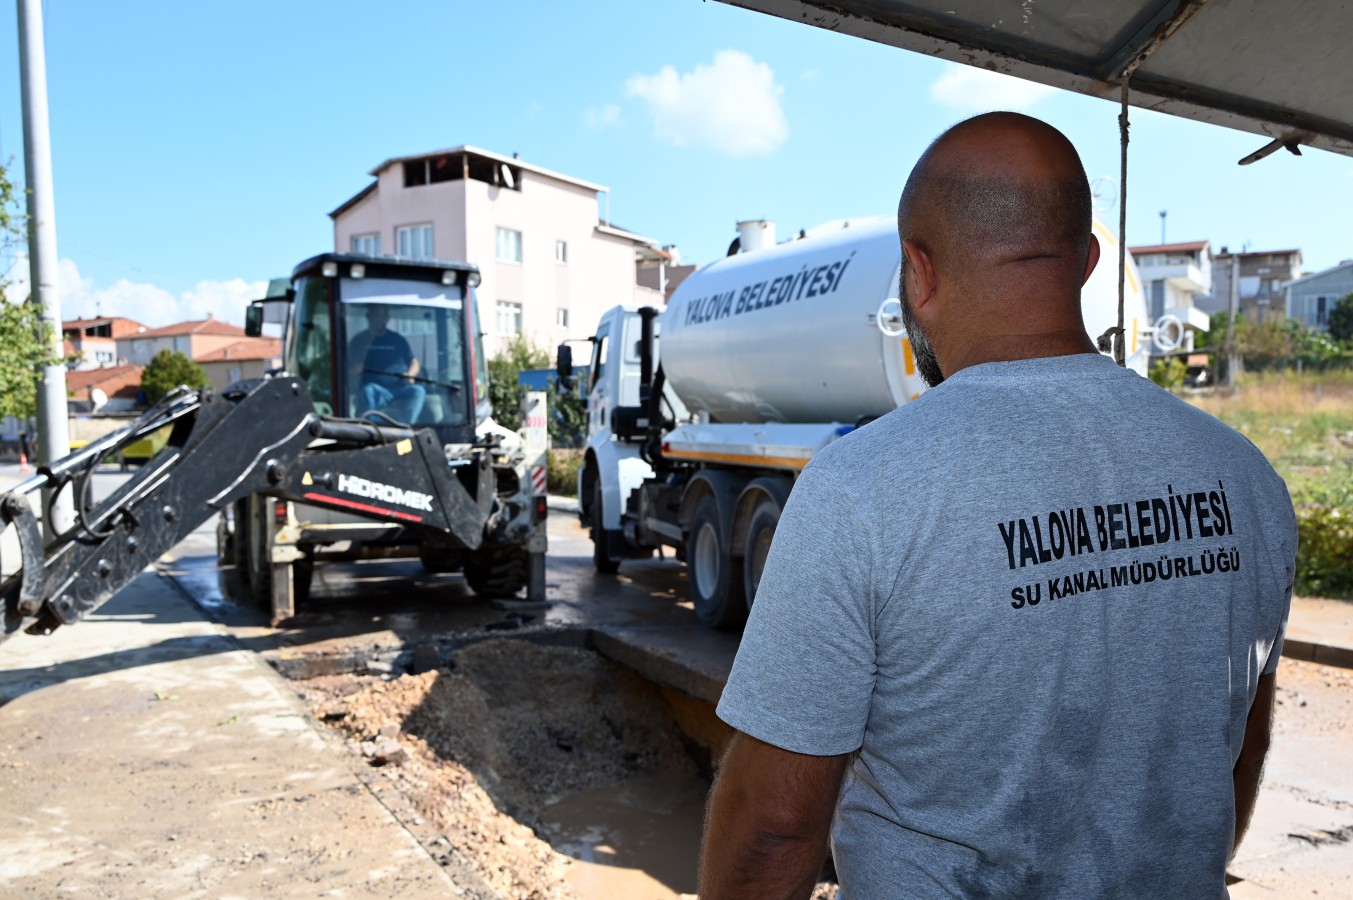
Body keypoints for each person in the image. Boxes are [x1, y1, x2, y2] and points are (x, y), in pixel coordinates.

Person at [700, 112, 1296, 899]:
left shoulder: (862, 489)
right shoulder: (1245, 478)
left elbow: (775, 825)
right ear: (1085, 262)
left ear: (918, 271)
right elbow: (1238, 752)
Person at [348, 304, 425, 424]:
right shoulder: (359, 340)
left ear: (387, 318)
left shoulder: (398, 339)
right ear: (368, 316)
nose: (380, 319)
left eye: (384, 316)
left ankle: (405, 427)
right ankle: (374, 426)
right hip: (376, 390)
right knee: (368, 390)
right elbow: (349, 370)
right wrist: (356, 369)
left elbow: (414, 362)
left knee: (418, 391)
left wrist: (410, 374)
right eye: (377, 315)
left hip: (400, 388)